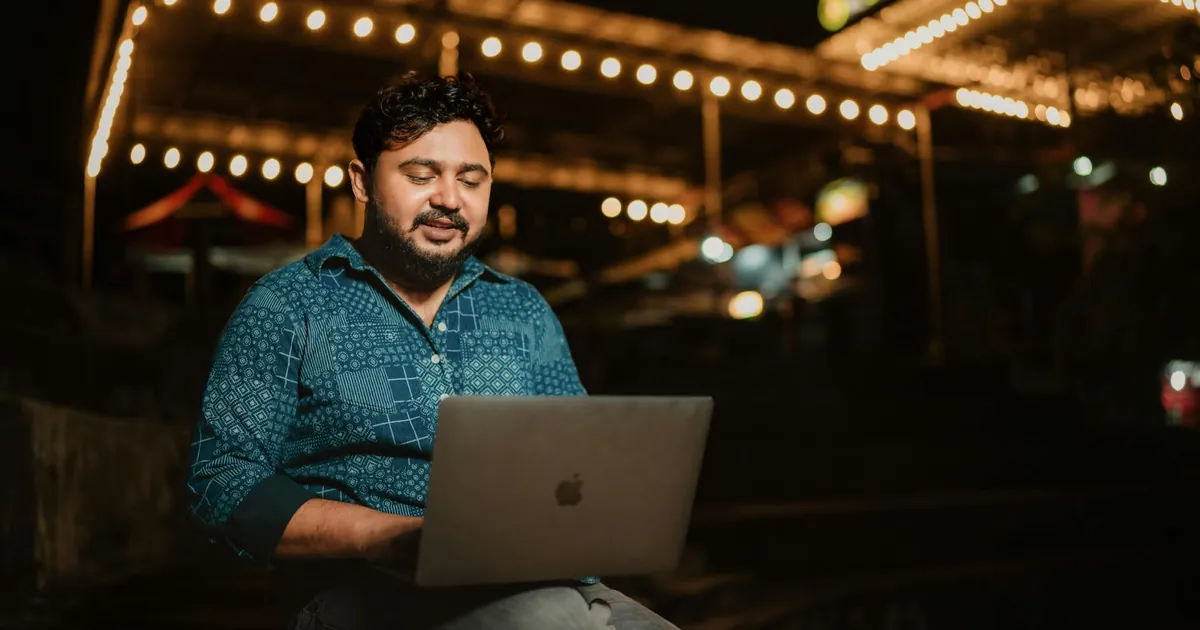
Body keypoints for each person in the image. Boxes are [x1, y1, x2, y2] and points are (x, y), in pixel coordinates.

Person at [184, 74, 679, 630]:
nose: (448, 198)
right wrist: (386, 536)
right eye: (421, 175)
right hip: (360, 590)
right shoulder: (287, 305)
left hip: (541, 582)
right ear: (362, 182)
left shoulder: (523, 310)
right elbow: (221, 482)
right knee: (546, 618)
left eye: (471, 180)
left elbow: (577, 460)